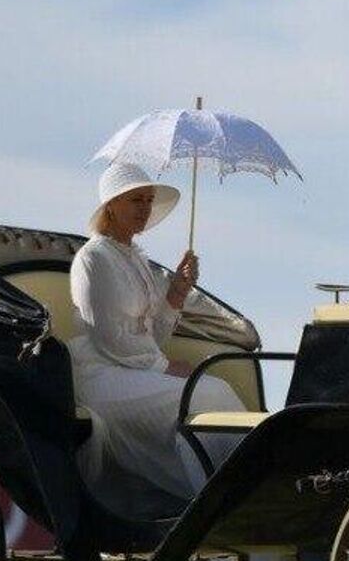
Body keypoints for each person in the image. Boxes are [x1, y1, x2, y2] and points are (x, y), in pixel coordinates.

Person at [69, 161, 244, 519]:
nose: (145, 208)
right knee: (205, 394)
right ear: (111, 206)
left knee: (216, 391)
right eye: (136, 200)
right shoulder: (93, 259)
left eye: (148, 200)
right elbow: (108, 338)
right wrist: (163, 367)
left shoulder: (136, 261)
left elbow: (151, 338)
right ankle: (213, 500)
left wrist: (177, 293)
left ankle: (238, 489)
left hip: (132, 369)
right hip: (100, 375)